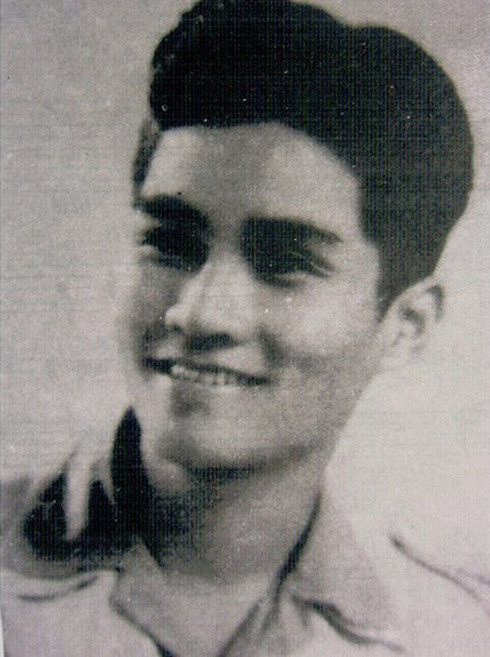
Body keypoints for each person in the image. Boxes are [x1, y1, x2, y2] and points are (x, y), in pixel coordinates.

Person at [1, 1, 488, 655]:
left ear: (406, 325)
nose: (201, 312)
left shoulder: (456, 631)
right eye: (170, 242)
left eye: (284, 263)